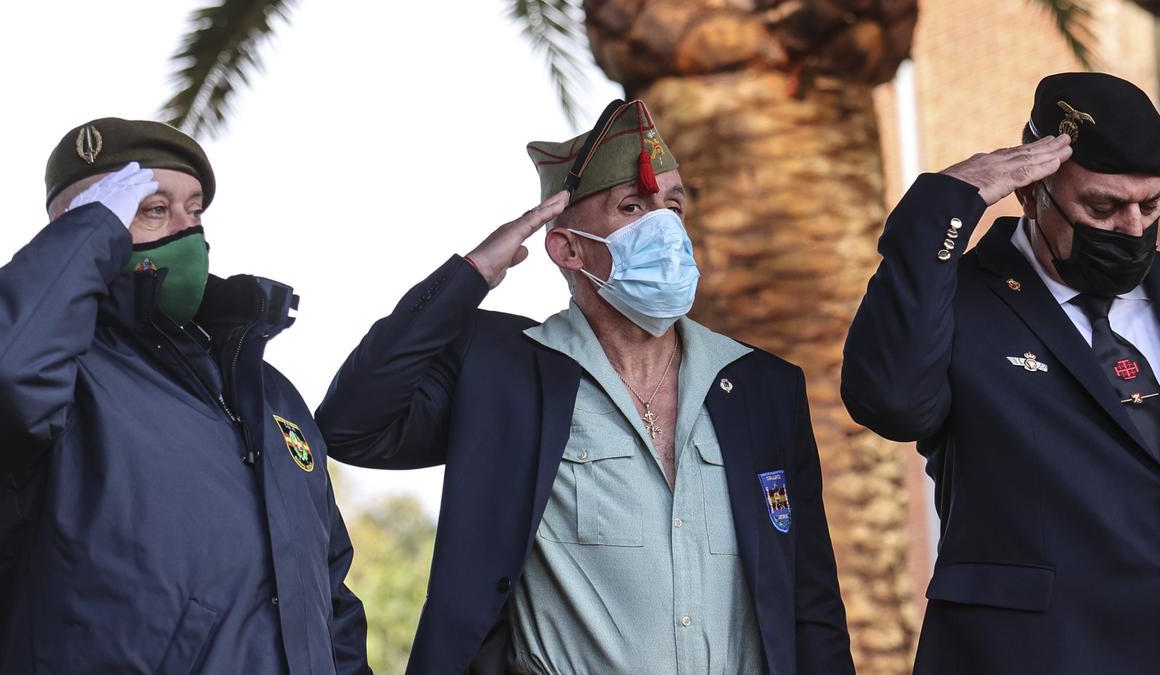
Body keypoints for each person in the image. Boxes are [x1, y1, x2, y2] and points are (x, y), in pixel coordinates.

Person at [317, 99, 853, 674]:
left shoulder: (761, 386)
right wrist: (471, 274)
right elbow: (352, 426)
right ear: (568, 247)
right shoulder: (505, 373)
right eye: (633, 207)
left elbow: (809, 600)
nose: (665, 228)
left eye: (673, 206)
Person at [0, 118, 371, 674]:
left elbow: (330, 598)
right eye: (153, 209)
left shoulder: (267, 390)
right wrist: (93, 230)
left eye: (195, 209)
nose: (188, 231)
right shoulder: (49, 372)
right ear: (78, 229)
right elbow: (1, 379)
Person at [841, 72, 1160, 673]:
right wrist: (944, 203)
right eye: (1104, 206)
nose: (1134, 229)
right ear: (1033, 193)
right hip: (1026, 654)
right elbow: (890, 402)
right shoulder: (954, 301)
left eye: (1152, 205)